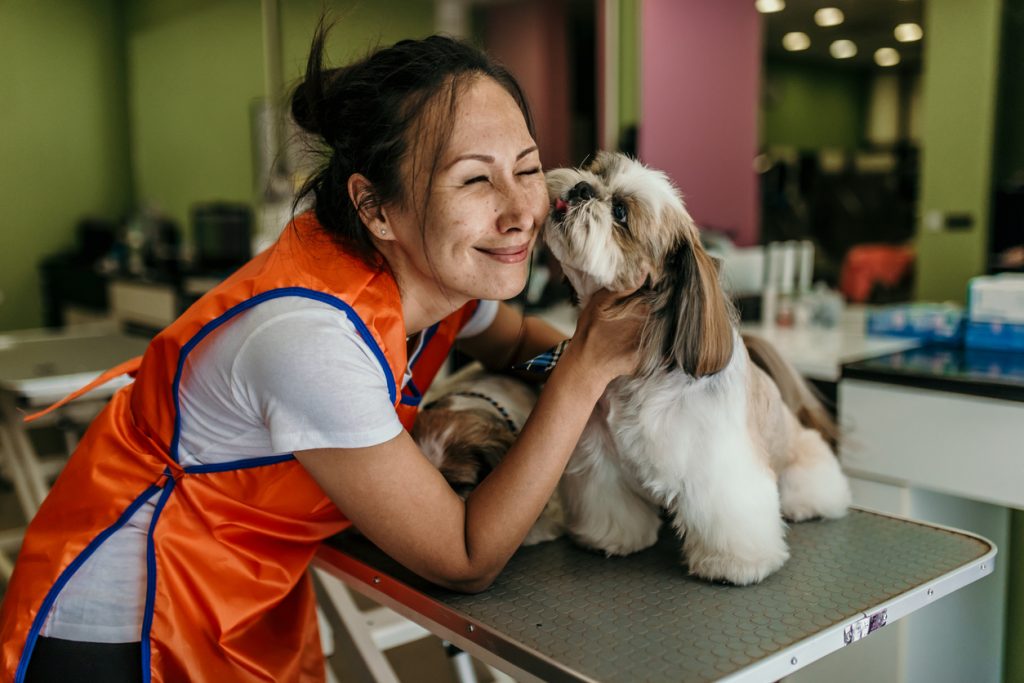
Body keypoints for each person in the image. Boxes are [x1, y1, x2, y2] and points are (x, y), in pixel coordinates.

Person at [0, 23, 647, 683]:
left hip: (249, 591)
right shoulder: (310, 339)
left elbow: (513, 340)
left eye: (529, 169)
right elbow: (463, 553)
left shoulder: (427, 271)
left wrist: (608, 374)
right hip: (130, 619)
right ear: (375, 207)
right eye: (474, 181)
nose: (519, 211)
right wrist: (585, 370)